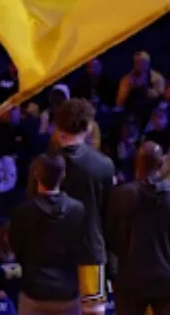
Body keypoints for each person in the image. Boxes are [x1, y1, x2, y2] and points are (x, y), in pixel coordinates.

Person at [0, 153, 93, 317]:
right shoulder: (78, 209)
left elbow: (16, 249)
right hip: (67, 292)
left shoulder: (23, 211)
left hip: (34, 292)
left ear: (36, 176)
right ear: (63, 175)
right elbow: (84, 247)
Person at [104, 141, 170, 316]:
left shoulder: (120, 195)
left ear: (136, 163)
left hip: (130, 278)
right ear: (160, 164)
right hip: (168, 278)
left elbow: (110, 239)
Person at [49, 98, 114, 313]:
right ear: (88, 127)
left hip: (53, 254)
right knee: (93, 311)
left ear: (58, 128)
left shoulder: (42, 164)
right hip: (90, 249)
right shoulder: (104, 165)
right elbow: (109, 212)